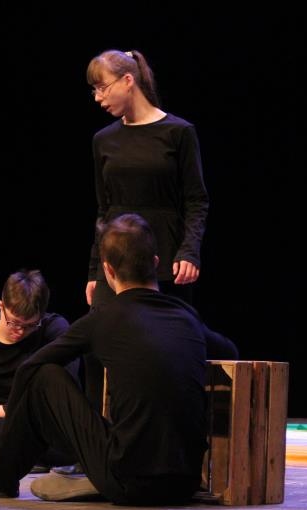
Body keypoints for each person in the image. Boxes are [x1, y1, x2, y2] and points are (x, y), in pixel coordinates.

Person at [0, 213, 238, 505]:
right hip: (185, 482)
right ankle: (7, 473)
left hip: (128, 480)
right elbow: (230, 352)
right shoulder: (186, 316)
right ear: (156, 263)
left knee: (43, 376)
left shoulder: (103, 319)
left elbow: (30, 368)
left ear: (108, 270)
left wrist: (10, 421)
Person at [81, 48, 211, 413]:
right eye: (93, 90)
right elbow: (104, 209)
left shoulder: (178, 132)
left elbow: (196, 200)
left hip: (165, 258)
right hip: (114, 262)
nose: (98, 98)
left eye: (102, 87)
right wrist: (94, 269)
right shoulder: (103, 139)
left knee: (168, 346)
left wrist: (189, 251)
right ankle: (97, 434)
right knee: (96, 346)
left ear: (128, 80)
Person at [0, 269, 78, 470]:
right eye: (14, 322)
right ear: (1, 306)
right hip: (14, 429)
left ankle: (29, 460)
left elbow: (66, 388)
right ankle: (33, 460)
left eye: (30, 325)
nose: (19, 331)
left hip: (51, 424)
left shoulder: (54, 329)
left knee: (73, 437)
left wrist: (5, 409)